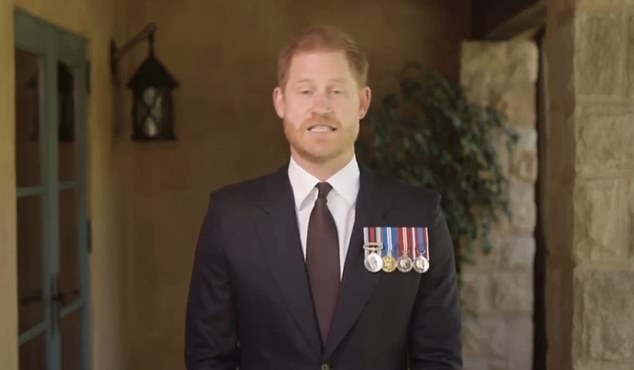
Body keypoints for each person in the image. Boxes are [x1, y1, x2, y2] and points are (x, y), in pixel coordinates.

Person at [185, 25, 462, 370]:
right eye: (305, 91)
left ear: (362, 102)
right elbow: (208, 357)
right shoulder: (231, 218)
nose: (321, 107)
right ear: (280, 102)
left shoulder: (417, 215)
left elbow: (438, 357)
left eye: (336, 91)